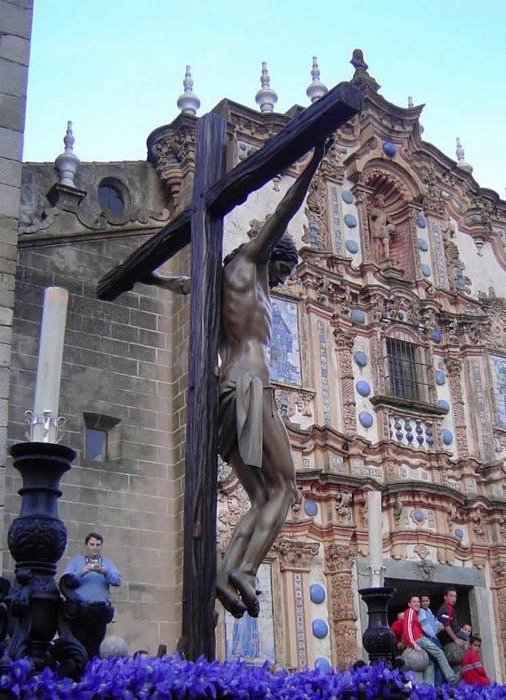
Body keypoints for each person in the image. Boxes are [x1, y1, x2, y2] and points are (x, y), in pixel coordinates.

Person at [145, 142, 329, 618]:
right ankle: (245, 570)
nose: (282, 282)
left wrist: (149, 275)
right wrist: (315, 161)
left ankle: (225, 573)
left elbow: (183, 284)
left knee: (260, 494)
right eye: (283, 270)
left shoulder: (218, 278)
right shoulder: (252, 262)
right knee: (285, 488)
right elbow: (284, 212)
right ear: (274, 255)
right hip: (250, 384)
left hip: (224, 392)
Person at [63, 532, 122, 658]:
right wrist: (82, 572)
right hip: (81, 610)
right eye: (92, 544)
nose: (95, 547)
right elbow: (65, 581)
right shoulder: (76, 562)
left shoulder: (107, 563)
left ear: (101, 546)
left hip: (100, 611)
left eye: (98, 545)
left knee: (96, 648)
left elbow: (117, 581)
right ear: (86, 546)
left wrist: (106, 572)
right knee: (78, 647)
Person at [402, 594, 457, 685]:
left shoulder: (417, 612)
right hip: (419, 638)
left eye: (417, 602)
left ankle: (429, 686)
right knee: (439, 652)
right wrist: (413, 643)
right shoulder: (410, 611)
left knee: (429, 662)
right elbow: (407, 628)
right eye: (414, 602)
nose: (416, 604)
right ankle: (451, 676)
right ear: (409, 604)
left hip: (418, 638)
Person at [419, 591, 447, 686]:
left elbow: (434, 621)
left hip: (433, 637)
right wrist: (433, 634)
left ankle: (435, 685)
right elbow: (424, 626)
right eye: (423, 601)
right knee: (432, 662)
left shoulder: (429, 611)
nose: (425, 603)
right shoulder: (421, 612)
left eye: (427, 601)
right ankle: (433, 685)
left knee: (435, 662)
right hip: (430, 638)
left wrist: (439, 624)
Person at [436, 586, 470, 650]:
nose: (453, 598)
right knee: (468, 640)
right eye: (451, 596)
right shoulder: (446, 609)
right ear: (445, 597)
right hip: (447, 637)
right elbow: (447, 626)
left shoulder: (450, 608)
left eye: (455, 596)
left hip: (456, 632)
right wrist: (455, 639)